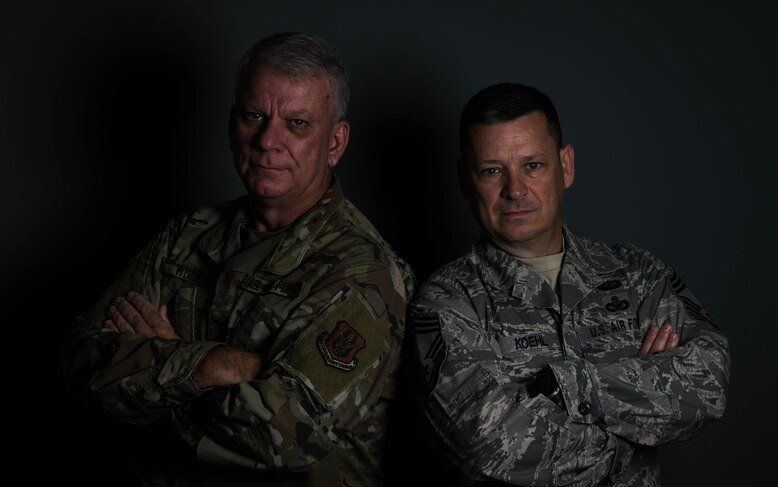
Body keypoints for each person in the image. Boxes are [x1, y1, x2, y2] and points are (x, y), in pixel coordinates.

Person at [62, 32, 414, 486]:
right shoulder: (186, 236)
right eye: (255, 116)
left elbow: (285, 435)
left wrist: (158, 373)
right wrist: (217, 364)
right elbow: (80, 361)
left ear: (335, 142)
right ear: (233, 125)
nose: (269, 140)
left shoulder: (367, 274)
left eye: (298, 123)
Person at [407, 82, 730, 486]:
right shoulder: (445, 305)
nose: (515, 189)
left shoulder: (637, 276)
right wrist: (636, 413)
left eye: (533, 165)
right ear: (463, 179)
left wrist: (566, 387)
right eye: (492, 170)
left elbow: (708, 386)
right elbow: (493, 447)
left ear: (567, 165)